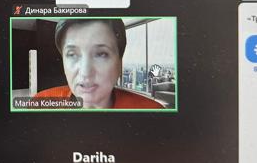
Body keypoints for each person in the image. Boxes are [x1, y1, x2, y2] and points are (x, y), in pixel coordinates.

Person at [32, 18, 165, 110]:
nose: (85, 72)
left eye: (101, 54)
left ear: (120, 62)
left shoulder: (152, 111)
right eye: (72, 54)